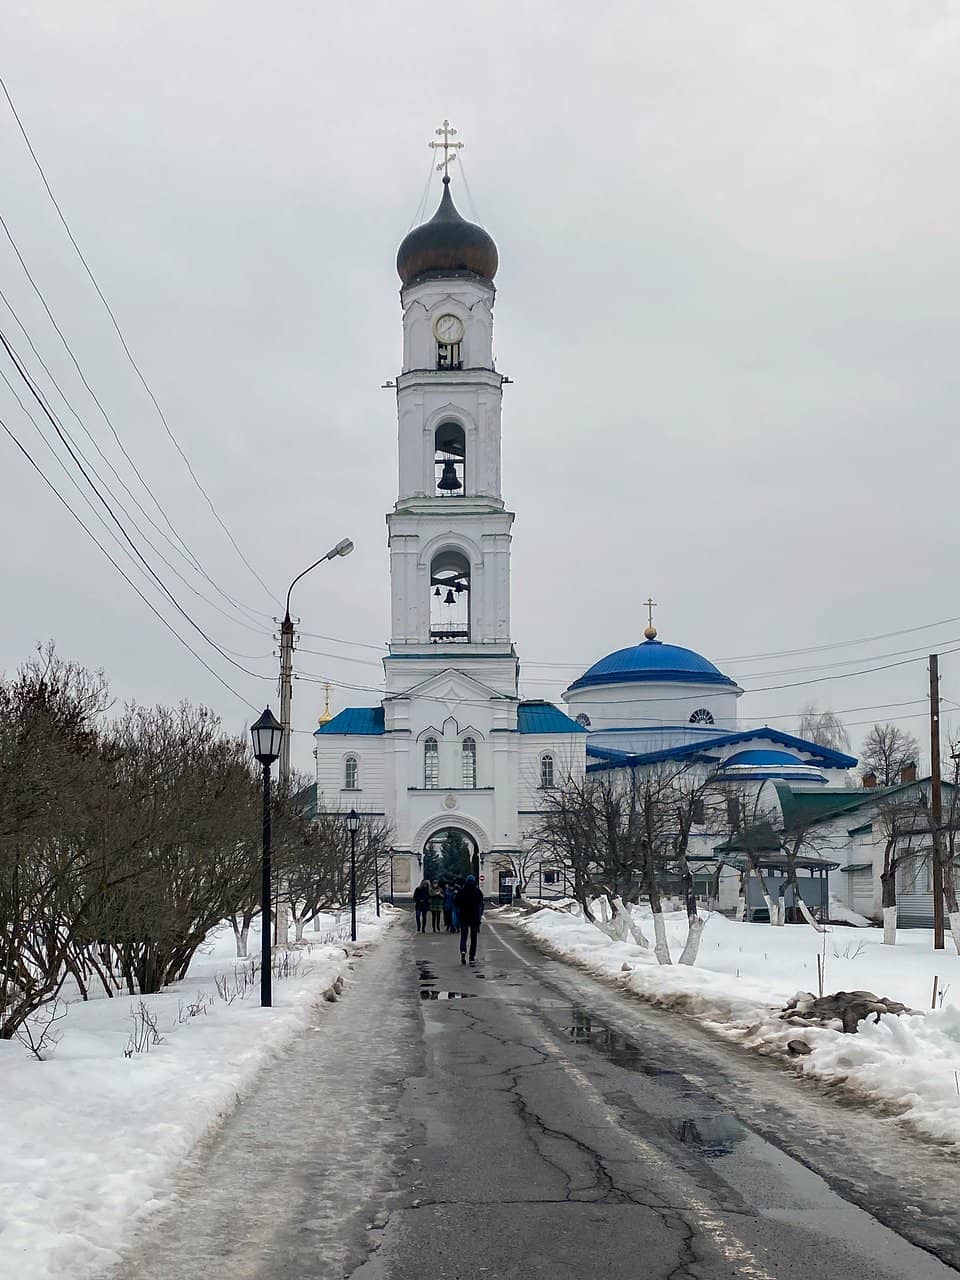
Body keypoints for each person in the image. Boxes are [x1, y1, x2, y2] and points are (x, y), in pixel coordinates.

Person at [455, 874, 485, 964]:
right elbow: (481, 904)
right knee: (474, 937)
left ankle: (463, 951)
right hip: (474, 917)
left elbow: (456, 903)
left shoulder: (462, 891)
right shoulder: (478, 891)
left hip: (464, 916)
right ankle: (472, 957)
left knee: (463, 936)